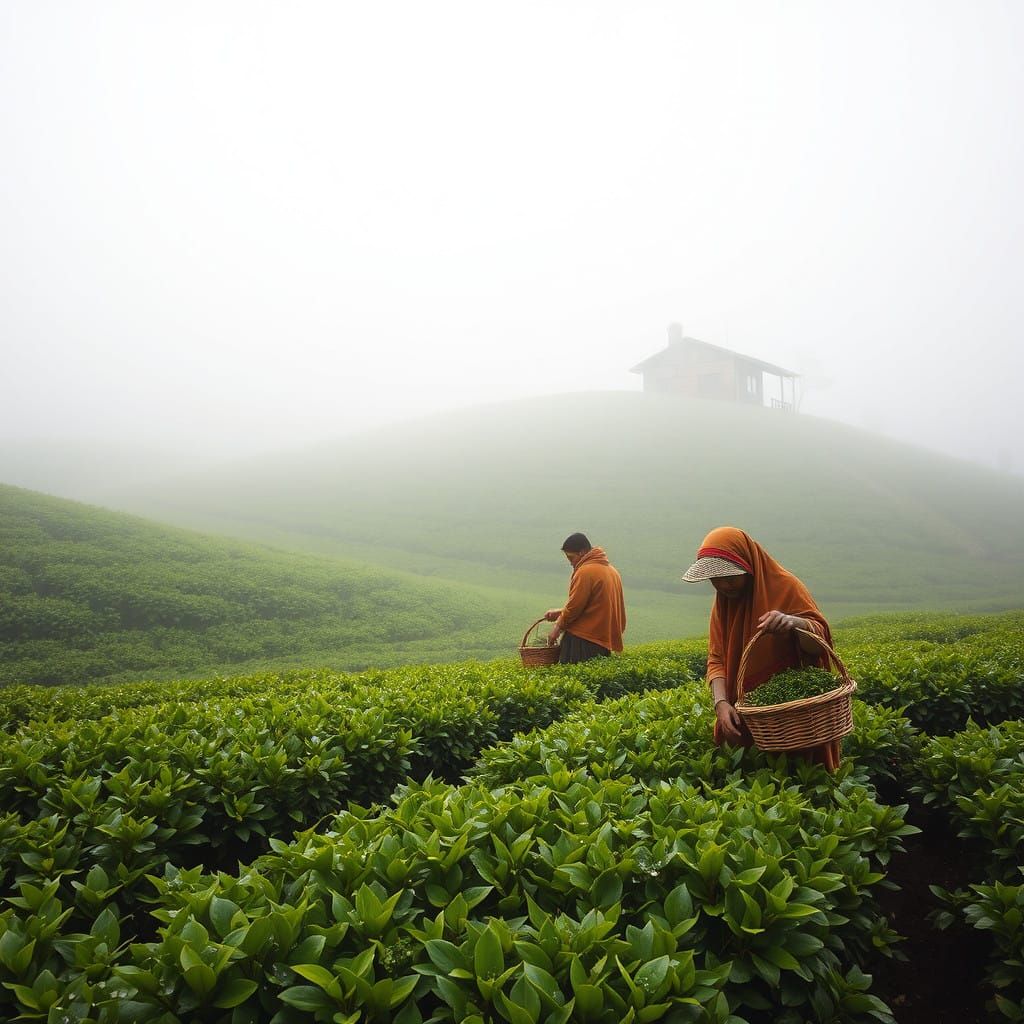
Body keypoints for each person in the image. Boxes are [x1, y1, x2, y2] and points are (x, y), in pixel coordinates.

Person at [681, 525, 840, 770]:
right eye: (716, 580)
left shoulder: (787, 587)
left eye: (731, 577)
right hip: (746, 713)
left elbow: (818, 644)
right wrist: (721, 704)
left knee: (800, 776)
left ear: (748, 565)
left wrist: (792, 623)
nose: (725, 586)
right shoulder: (723, 604)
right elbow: (717, 658)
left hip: (793, 716)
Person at [543, 533, 626, 664]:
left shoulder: (585, 572)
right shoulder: (612, 571)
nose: (570, 562)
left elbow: (575, 606)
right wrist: (560, 613)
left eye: (571, 557)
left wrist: (557, 628)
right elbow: (594, 605)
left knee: (573, 681)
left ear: (582, 552)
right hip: (602, 640)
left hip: (583, 640)